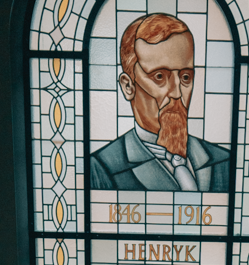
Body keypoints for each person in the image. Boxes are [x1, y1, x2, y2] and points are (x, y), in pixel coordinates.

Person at [90, 12, 231, 192]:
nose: (176, 93)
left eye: (185, 77)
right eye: (159, 77)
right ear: (128, 86)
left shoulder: (223, 161)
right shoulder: (102, 167)